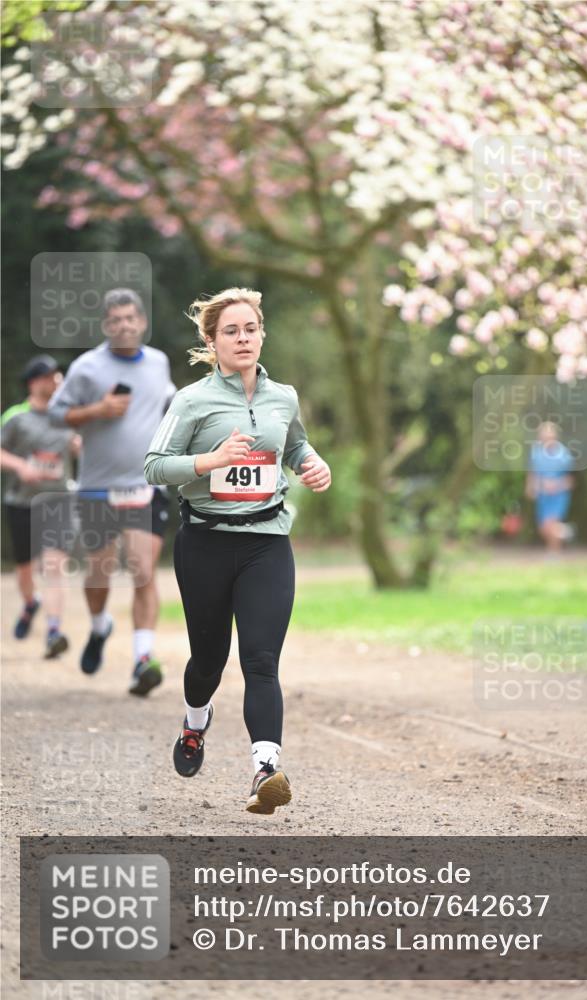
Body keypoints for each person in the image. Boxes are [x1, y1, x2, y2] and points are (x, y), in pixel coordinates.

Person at [144, 287, 331, 815]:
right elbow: (154, 466)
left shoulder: (283, 397)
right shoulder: (192, 401)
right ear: (212, 342)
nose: (243, 338)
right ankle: (195, 722)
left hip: (266, 543)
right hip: (204, 543)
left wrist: (312, 463)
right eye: (231, 331)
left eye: (251, 329)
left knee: (261, 660)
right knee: (209, 660)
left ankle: (265, 771)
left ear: (262, 334)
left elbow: (294, 444)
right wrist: (209, 460)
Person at [48, 288, 175, 695]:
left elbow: (169, 403)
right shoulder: (87, 367)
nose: (124, 325)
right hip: (98, 489)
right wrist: (97, 410)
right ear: (105, 325)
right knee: (98, 574)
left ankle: (142, 660)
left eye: (130, 318)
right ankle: (100, 625)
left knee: (143, 571)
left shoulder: (159, 363)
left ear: (142, 322)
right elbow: (55, 413)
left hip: (145, 485)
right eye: (115, 320)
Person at [1, 355, 79, 657]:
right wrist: (21, 466)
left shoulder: (69, 415)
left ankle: (54, 631)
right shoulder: (16, 417)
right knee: (25, 570)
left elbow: (84, 445)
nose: (56, 381)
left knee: (54, 566)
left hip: (59, 500)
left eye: (58, 376)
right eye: (49, 376)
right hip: (23, 502)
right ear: (33, 383)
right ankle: (30, 603)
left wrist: (79, 446)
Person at [525, 421, 575, 553]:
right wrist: (530, 487)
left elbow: (570, 480)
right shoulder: (536, 453)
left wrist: (556, 485)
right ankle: (566, 531)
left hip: (559, 495)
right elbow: (532, 473)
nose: (546, 439)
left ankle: (553, 552)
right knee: (543, 528)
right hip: (542, 494)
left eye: (548, 436)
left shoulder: (564, 455)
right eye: (543, 436)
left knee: (550, 524)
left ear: (555, 437)